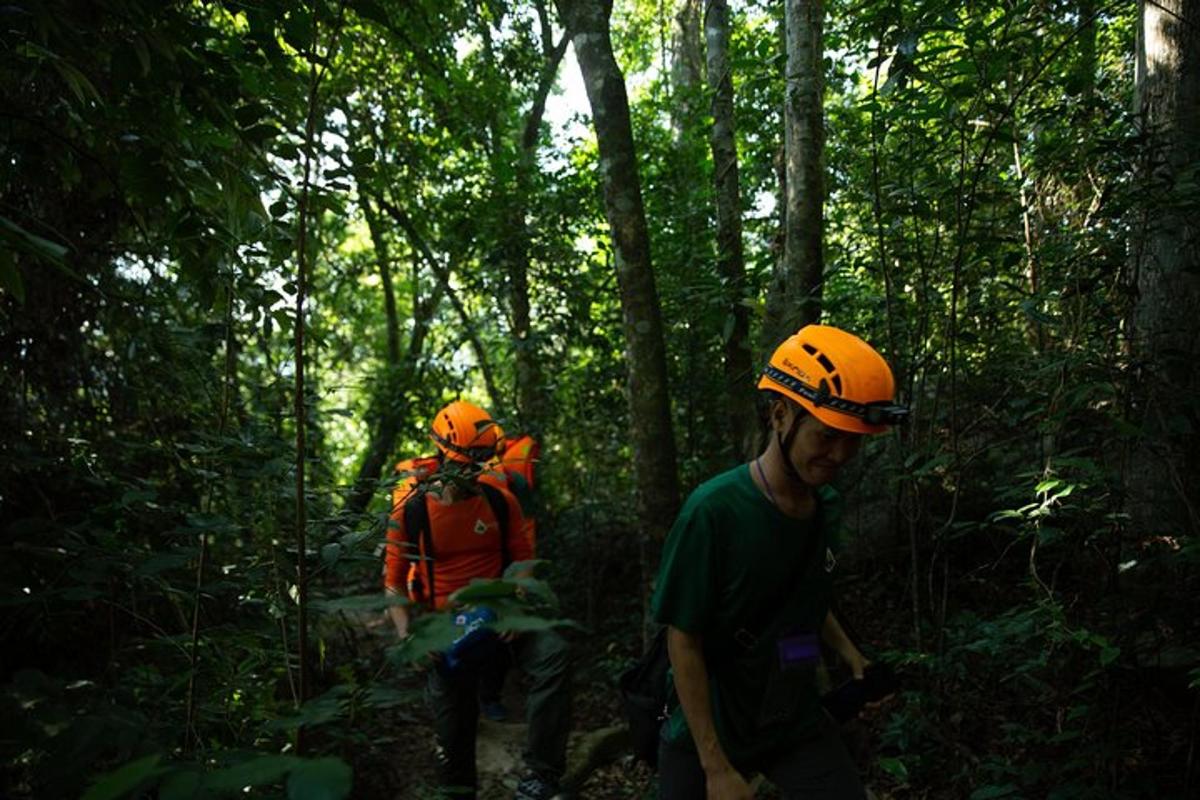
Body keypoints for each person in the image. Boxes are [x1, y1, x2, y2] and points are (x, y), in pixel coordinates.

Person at [651, 324, 908, 799]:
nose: (842, 454)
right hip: (712, 726)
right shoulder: (714, 511)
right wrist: (716, 768)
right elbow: (682, 640)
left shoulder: (824, 505)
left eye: (853, 441)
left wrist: (850, 654)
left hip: (793, 717)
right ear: (780, 415)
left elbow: (806, 591)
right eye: (828, 437)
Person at [384, 400, 570, 800]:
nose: (481, 471)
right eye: (474, 462)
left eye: (487, 461)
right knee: (454, 739)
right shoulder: (412, 508)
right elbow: (394, 584)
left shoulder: (500, 497)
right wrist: (407, 635)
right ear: (447, 458)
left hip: (500, 612)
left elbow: (523, 559)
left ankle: (543, 774)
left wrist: (514, 602)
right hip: (442, 626)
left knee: (554, 655)